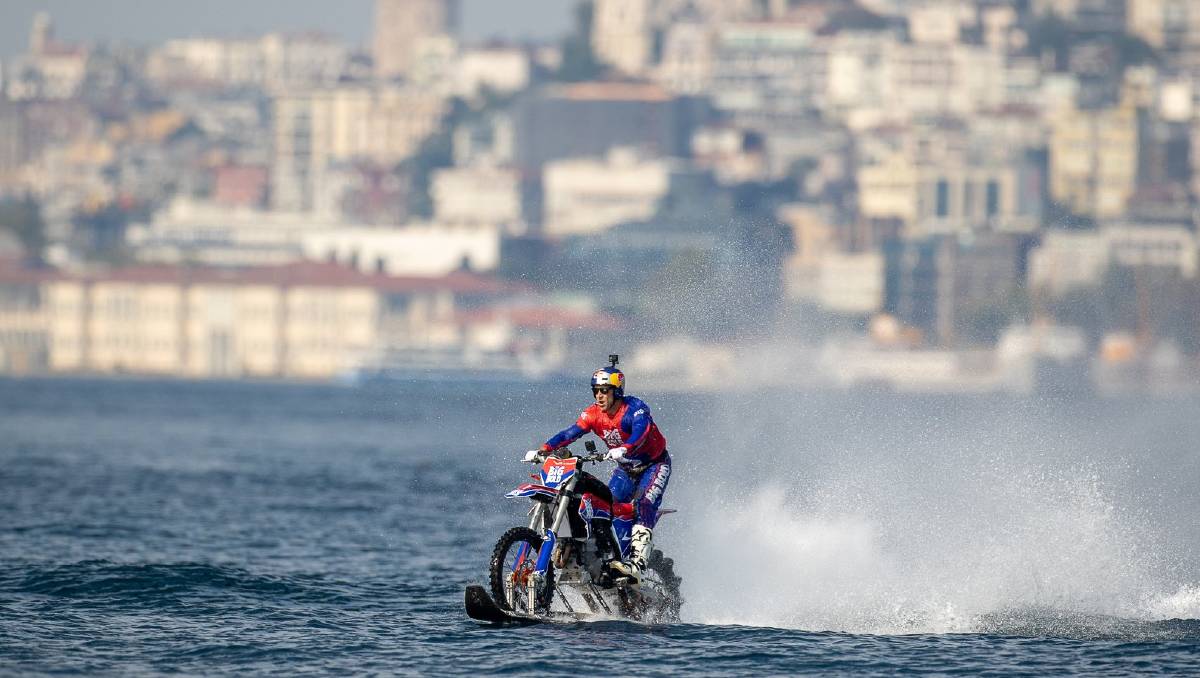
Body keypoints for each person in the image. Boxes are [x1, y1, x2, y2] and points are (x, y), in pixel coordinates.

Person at [531, 358, 671, 586]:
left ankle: (637, 564)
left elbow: (641, 432)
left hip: (654, 465)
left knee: (645, 502)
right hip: (625, 469)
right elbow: (571, 432)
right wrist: (545, 448)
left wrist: (625, 448)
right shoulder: (593, 414)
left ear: (617, 391)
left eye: (605, 391)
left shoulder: (635, 409)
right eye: (596, 391)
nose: (599, 396)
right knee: (604, 505)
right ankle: (603, 558)